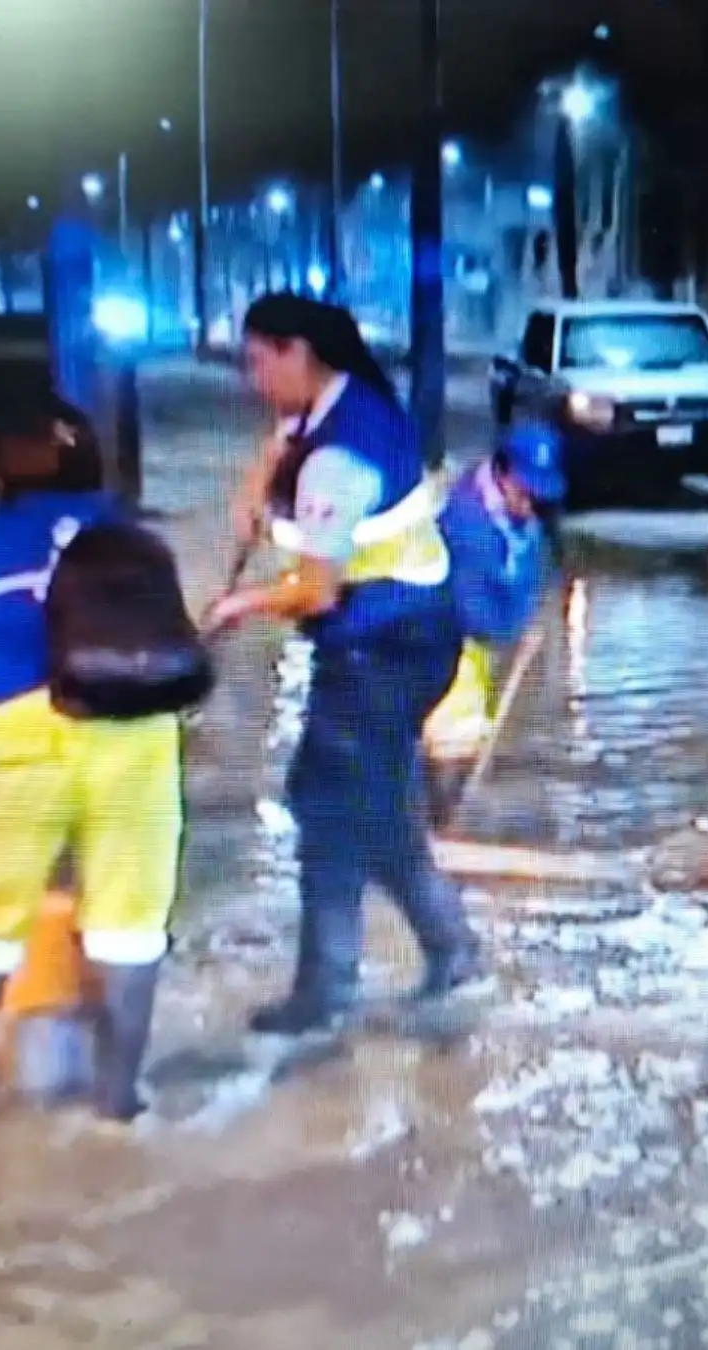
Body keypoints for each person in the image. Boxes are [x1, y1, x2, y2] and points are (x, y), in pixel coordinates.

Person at [209, 293, 482, 1036]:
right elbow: (276, 448)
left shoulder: (340, 449)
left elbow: (312, 589)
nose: (251, 376)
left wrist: (232, 610)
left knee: (326, 805)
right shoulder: (336, 405)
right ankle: (452, 950)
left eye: (259, 359)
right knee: (370, 806)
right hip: (399, 635)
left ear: (299, 352)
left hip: (385, 646)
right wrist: (252, 491)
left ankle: (325, 989)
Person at [0, 399, 181, 1124]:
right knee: (129, 922)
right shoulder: (138, 541)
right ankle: (119, 1097)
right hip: (136, 735)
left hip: (13, 729)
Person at [422, 422, 563, 826]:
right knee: (450, 746)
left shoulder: (525, 517)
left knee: (468, 744)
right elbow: (473, 611)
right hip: (449, 647)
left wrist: (532, 616)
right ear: (503, 474)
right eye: (526, 491)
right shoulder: (466, 523)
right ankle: (435, 832)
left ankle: (441, 826)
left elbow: (537, 565)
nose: (531, 503)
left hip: (482, 654)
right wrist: (515, 631)